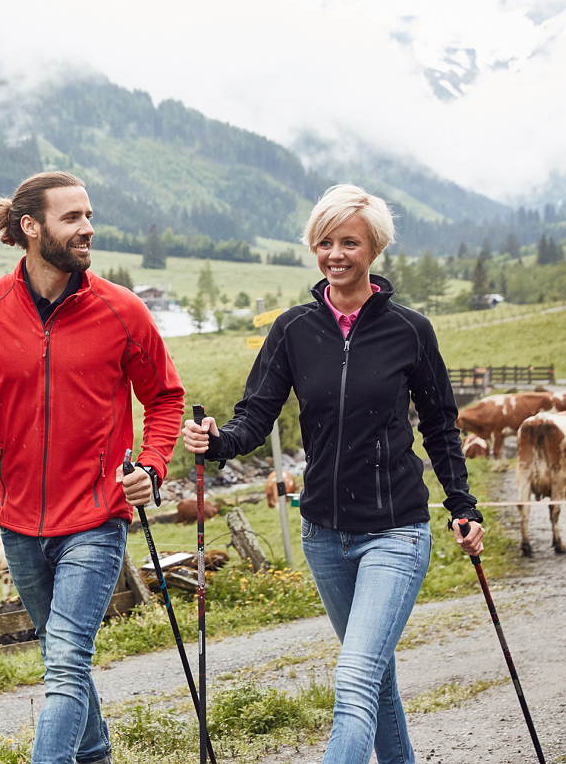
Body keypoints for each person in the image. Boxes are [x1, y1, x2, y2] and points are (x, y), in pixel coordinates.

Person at [182, 183, 485, 764]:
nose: (336, 253)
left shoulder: (410, 330)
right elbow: (255, 415)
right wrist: (217, 441)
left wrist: (462, 506)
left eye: (350, 241)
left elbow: (442, 427)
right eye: (325, 241)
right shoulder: (294, 329)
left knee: (352, 682)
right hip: (323, 534)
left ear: (374, 249)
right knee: (374, 677)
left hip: (396, 531)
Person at [0, 171, 184, 764]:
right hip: (19, 526)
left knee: (66, 662)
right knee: (61, 660)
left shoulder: (122, 311)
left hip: (96, 519)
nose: (87, 228)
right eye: (72, 219)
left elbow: (165, 397)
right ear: (30, 227)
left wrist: (152, 466)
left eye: (89, 215)